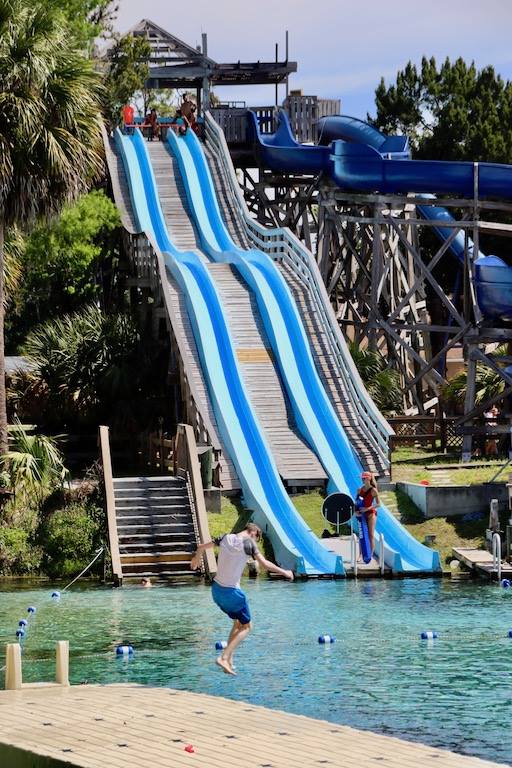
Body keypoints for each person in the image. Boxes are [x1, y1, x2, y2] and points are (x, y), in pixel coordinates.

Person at [190, 522, 293, 676]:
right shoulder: (249, 542)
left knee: (238, 622)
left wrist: (197, 558)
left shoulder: (226, 538)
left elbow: (201, 546)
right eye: (257, 540)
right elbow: (265, 564)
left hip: (216, 591)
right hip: (231, 593)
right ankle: (224, 657)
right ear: (254, 534)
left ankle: (229, 659)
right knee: (247, 626)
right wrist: (285, 572)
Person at [355, 471, 379, 559]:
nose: (362, 479)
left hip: (371, 513)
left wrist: (367, 508)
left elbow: (378, 504)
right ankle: (361, 555)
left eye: (364, 478)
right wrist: (356, 511)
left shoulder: (373, 490)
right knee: (361, 535)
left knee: (370, 535)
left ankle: (370, 555)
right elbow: (356, 503)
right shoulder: (360, 489)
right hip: (362, 514)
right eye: (362, 478)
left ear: (368, 479)